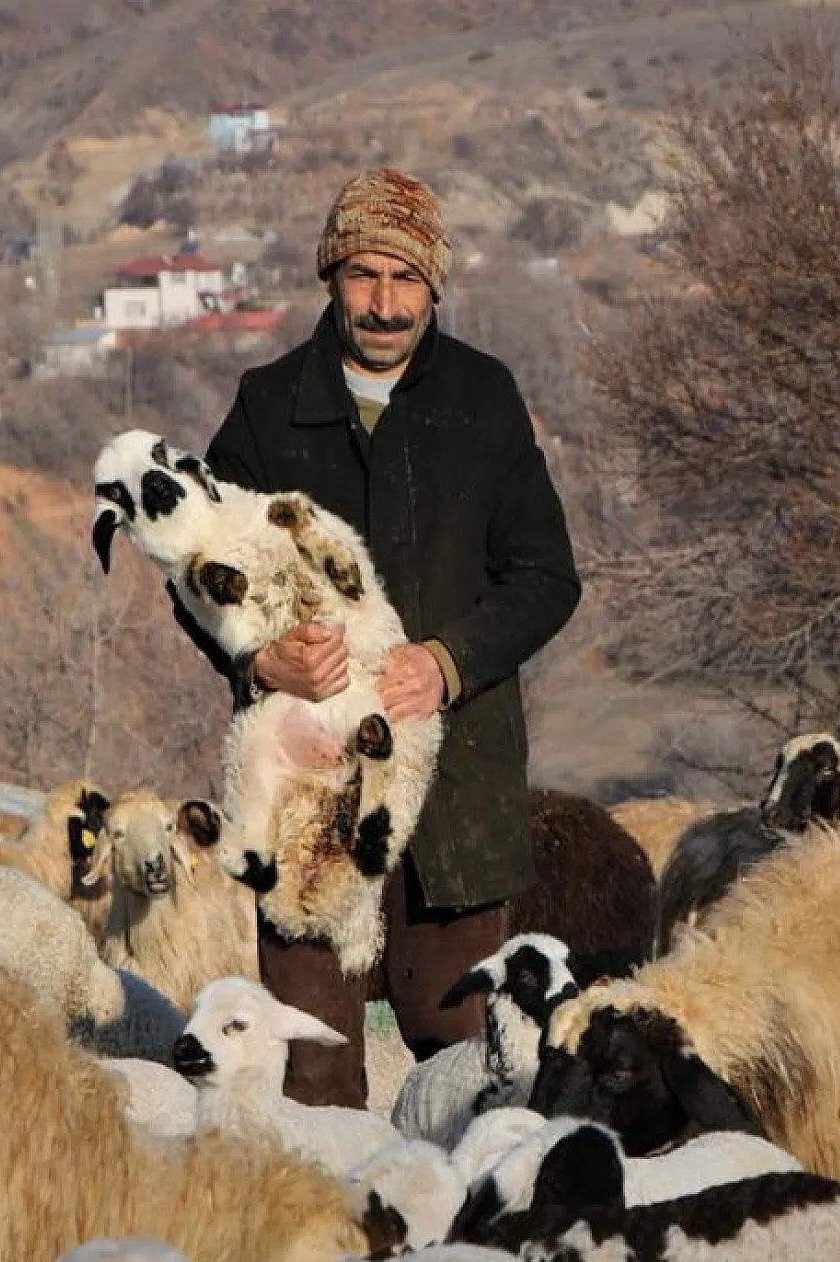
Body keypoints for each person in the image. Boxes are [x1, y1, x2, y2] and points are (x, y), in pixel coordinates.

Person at [169, 167, 581, 1109]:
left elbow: (546, 578)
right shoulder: (268, 407)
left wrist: (448, 663)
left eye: (405, 278)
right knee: (310, 1071)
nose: (385, 304)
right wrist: (259, 658)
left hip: (452, 791)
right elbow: (196, 572)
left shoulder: (483, 400)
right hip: (305, 799)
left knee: (465, 1062)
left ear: (433, 284)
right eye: (364, 275)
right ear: (332, 276)